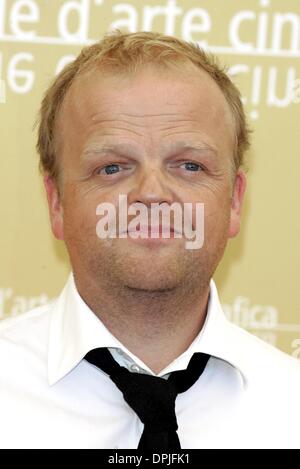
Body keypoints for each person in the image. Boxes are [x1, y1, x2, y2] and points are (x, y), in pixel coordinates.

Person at [0, 31, 299, 450]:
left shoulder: (292, 406)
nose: (153, 194)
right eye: (112, 167)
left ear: (234, 201)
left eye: (190, 165)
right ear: (56, 203)